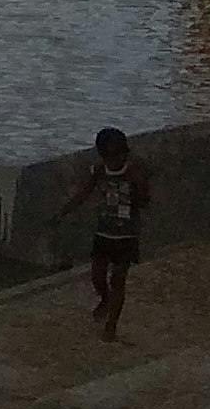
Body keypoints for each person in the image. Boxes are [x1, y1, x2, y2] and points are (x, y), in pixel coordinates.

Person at [60, 127, 155, 341]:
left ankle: (111, 325)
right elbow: (84, 193)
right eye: (110, 157)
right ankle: (105, 299)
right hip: (104, 231)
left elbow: (145, 201)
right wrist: (63, 212)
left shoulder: (134, 172)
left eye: (118, 156)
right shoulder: (99, 171)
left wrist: (138, 189)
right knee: (97, 276)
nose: (115, 161)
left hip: (127, 234)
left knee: (118, 279)